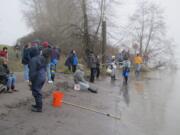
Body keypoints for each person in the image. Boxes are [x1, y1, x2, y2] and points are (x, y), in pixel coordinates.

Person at [29, 48, 51, 112]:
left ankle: (39, 108)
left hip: (37, 77)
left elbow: (32, 72)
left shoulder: (33, 60)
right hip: (43, 76)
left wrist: (30, 81)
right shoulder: (42, 57)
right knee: (37, 91)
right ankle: (37, 105)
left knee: (36, 91)